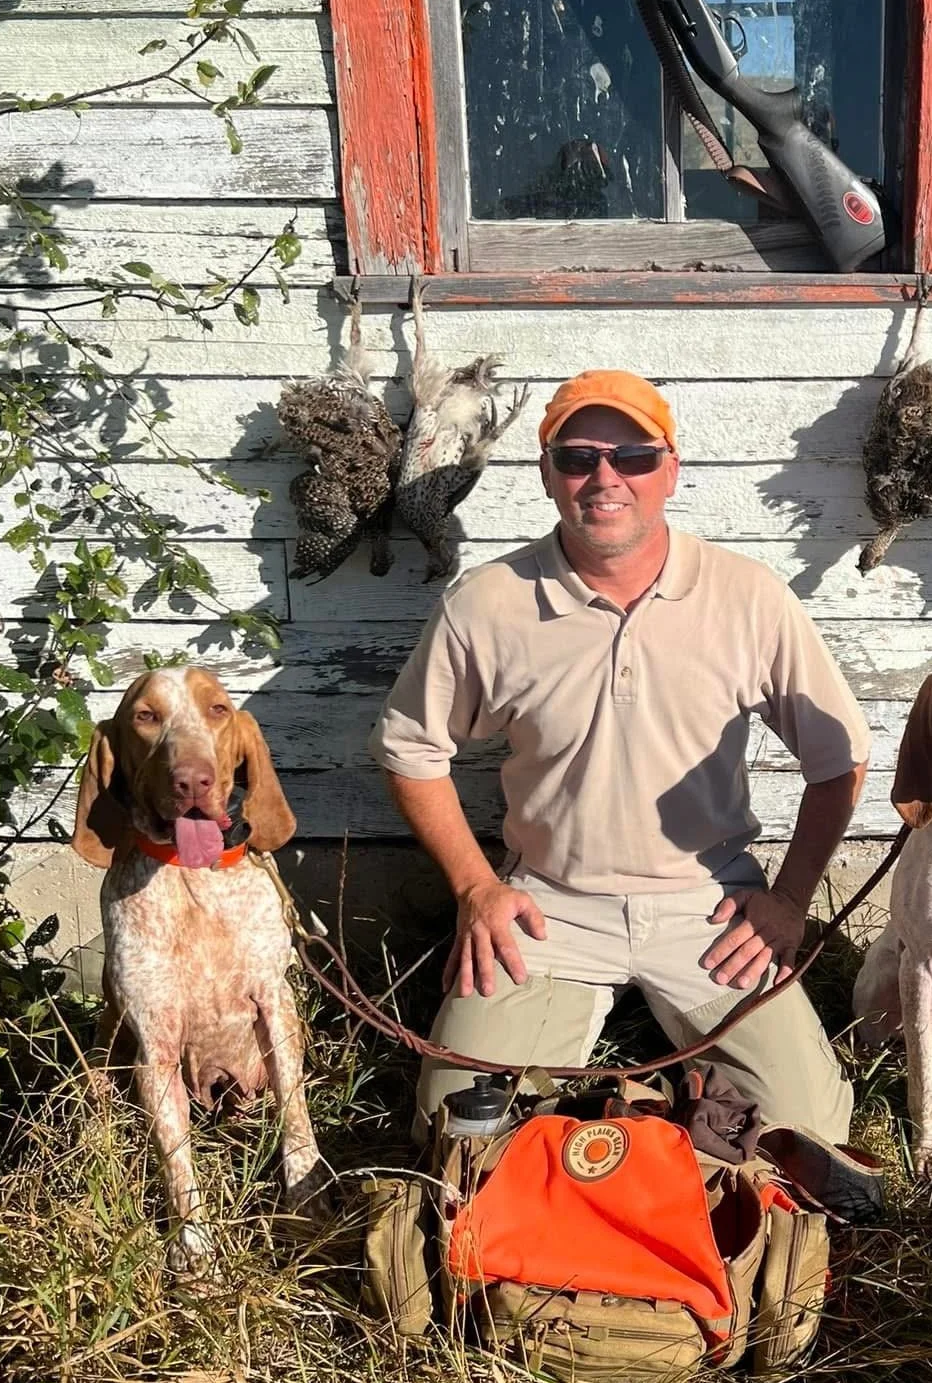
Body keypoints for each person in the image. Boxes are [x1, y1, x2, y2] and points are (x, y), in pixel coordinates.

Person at [370, 368, 871, 1144]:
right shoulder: (489, 603)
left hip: (709, 906)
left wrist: (790, 899)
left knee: (808, 1136)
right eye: (577, 456)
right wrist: (475, 889)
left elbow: (839, 758)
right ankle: (629, 1115)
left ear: (670, 469)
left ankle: (670, 1108)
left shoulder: (747, 598)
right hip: (550, 908)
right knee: (456, 1132)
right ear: (547, 474)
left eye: (633, 455)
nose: (605, 477)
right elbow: (410, 750)